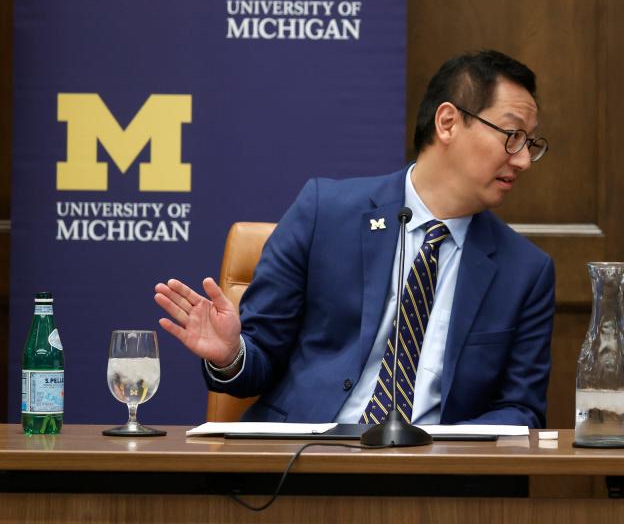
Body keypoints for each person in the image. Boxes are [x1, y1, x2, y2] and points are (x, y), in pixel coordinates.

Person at [154, 50, 555, 427]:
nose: (522, 159)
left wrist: (443, 449)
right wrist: (231, 354)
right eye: (512, 135)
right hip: (305, 466)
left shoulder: (525, 271)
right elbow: (259, 360)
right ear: (447, 122)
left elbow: (521, 411)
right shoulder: (324, 213)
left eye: (529, 143)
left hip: (433, 481)